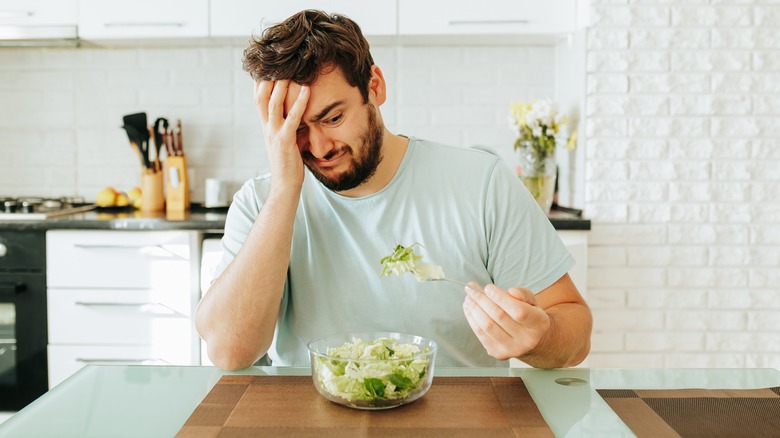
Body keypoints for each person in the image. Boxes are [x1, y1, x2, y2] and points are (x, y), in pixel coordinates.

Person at [195, 9, 592, 371]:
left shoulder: (481, 183)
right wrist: (285, 189)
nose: (318, 148)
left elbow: (575, 332)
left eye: (332, 117)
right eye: (297, 129)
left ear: (375, 86)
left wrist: (537, 338)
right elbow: (229, 352)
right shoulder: (260, 202)